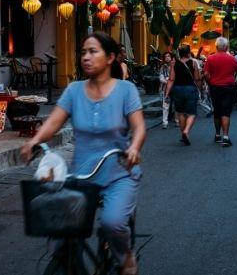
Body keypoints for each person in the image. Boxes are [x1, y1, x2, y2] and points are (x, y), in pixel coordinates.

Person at [21, 31, 146, 275]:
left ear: (110, 58)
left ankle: (127, 259)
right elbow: (54, 121)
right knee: (57, 231)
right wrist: (35, 140)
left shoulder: (125, 90)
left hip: (118, 173)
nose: (86, 57)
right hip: (80, 177)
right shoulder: (74, 90)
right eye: (83, 52)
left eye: (93, 52)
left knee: (113, 223)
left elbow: (139, 126)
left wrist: (133, 147)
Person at [203, 37, 237, 147]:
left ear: (216, 47)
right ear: (226, 47)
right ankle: (225, 136)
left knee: (217, 111)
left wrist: (209, 82)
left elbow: (205, 74)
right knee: (226, 112)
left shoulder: (210, 58)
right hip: (228, 87)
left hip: (215, 87)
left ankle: (217, 134)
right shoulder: (232, 59)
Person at [165, 45, 201, 146]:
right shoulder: (194, 62)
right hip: (190, 89)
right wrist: (200, 89)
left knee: (181, 113)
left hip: (178, 89)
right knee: (192, 113)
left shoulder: (174, 63)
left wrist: (167, 93)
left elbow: (171, 79)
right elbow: (197, 78)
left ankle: (182, 134)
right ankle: (186, 131)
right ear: (189, 53)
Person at [159, 52, 175, 129]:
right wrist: (167, 81)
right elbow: (161, 77)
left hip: (175, 88)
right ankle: (165, 122)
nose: (167, 58)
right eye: (166, 56)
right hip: (166, 88)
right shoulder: (163, 67)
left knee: (176, 104)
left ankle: (177, 120)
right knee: (165, 105)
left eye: (168, 56)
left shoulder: (175, 66)